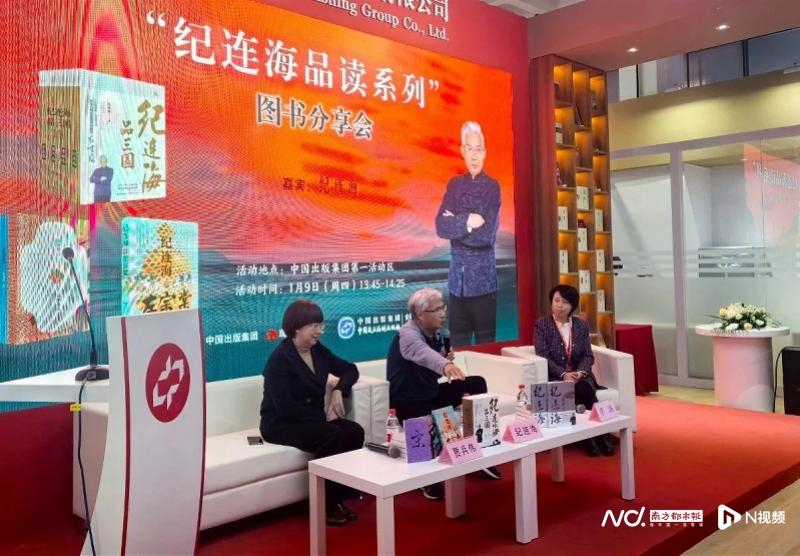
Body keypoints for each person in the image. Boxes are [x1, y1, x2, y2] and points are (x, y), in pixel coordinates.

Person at [387, 287, 501, 500]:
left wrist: (444, 359)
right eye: (436, 310)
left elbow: (431, 365)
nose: (443, 314)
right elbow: (421, 352)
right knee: (423, 420)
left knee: (476, 383)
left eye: (443, 308)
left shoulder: (439, 334)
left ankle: (478, 446)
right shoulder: (407, 334)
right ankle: (424, 478)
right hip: (407, 400)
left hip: (429, 393)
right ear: (420, 314)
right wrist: (445, 364)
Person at [259, 300, 364, 526]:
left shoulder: (317, 351)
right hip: (280, 423)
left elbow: (350, 370)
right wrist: (322, 417)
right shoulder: (280, 359)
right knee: (332, 435)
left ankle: (340, 497)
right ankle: (323, 505)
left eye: (320, 325)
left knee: (354, 431)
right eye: (314, 326)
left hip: (311, 418)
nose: (320, 331)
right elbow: (284, 407)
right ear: (297, 328)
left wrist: (339, 390)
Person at [435, 121, 501, 347]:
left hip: (483, 285)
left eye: (478, 149)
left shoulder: (492, 187)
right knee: (456, 349)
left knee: (486, 350)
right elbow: (440, 226)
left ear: (485, 152)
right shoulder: (455, 185)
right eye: (469, 148)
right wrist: (469, 221)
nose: (474, 155)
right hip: (457, 286)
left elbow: (486, 236)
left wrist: (456, 222)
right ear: (462, 150)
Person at [534, 284, 615, 457]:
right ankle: (595, 438)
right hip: (556, 376)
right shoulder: (542, 325)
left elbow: (587, 355)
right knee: (579, 389)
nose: (559, 305)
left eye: (565, 302)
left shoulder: (580, 325)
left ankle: (598, 436)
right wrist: (564, 374)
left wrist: (581, 372)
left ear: (573, 306)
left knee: (584, 387)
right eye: (556, 301)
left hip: (580, 376)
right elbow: (542, 355)